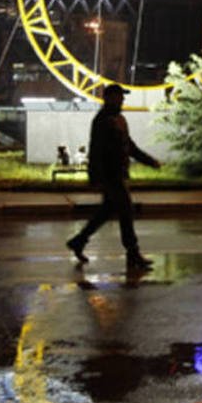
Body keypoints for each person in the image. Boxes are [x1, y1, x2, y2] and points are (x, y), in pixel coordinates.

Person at [66, 84, 161, 269]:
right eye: (120, 97)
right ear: (110, 98)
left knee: (106, 212)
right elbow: (97, 150)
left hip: (117, 173)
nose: (123, 100)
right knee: (126, 211)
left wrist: (150, 161)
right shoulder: (103, 120)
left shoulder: (119, 119)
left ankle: (79, 241)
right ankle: (132, 253)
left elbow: (130, 147)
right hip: (111, 176)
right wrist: (96, 177)